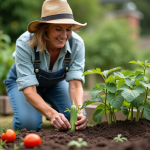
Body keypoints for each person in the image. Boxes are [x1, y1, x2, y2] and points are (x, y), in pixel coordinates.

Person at [4, 0, 88, 132]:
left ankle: (49, 107)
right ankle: (38, 111)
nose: (64, 35)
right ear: (45, 29)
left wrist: (80, 112)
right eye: (58, 29)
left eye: (69, 29)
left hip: (55, 84)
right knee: (28, 125)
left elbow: (76, 85)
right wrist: (51, 114)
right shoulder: (25, 43)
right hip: (24, 85)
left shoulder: (77, 44)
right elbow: (29, 91)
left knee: (73, 119)